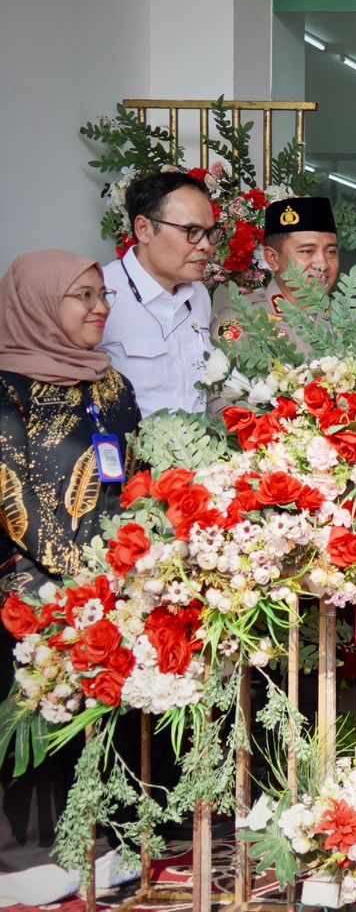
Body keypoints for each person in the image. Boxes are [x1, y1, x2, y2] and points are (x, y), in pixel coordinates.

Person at [0, 252, 141, 904]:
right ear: (37, 301)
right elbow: (9, 497)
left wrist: (135, 557)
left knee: (102, 713)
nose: (98, 307)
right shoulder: (6, 386)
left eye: (102, 294)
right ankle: (25, 858)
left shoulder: (109, 384)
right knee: (34, 722)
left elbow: (130, 476)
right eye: (79, 295)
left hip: (110, 585)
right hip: (25, 593)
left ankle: (101, 842)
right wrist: (67, 581)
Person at [101, 171, 220, 416]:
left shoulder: (199, 294)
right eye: (191, 231)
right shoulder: (100, 293)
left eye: (209, 232)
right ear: (144, 229)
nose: (206, 245)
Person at [212, 196, 341, 355]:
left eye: (331, 252)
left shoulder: (355, 322)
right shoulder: (240, 321)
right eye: (307, 251)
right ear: (272, 258)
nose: (322, 264)